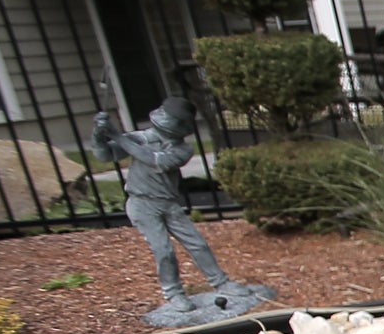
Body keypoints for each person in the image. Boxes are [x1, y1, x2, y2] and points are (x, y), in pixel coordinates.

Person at [89, 96, 263, 310]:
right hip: (142, 204)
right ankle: (173, 293)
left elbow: (154, 160)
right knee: (164, 250)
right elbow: (104, 154)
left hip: (168, 204)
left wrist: (116, 134)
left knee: (197, 243)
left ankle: (221, 282)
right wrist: (99, 133)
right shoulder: (141, 138)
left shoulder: (183, 150)